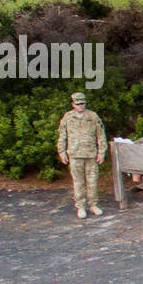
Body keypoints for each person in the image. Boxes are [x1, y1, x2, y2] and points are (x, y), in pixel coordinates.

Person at [56, 91, 108, 220]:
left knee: (92, 181)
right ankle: (80, 206)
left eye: (82, 103)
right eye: (77, 104)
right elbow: (62, 136)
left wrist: (101, 152)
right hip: (75, 154)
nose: (80, 106)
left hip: (90, 154)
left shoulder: (92, 116)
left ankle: (93, 204)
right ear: (73, 104)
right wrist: (61, 152)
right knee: (78, 182)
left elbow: (101, 135)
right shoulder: (67, 117)